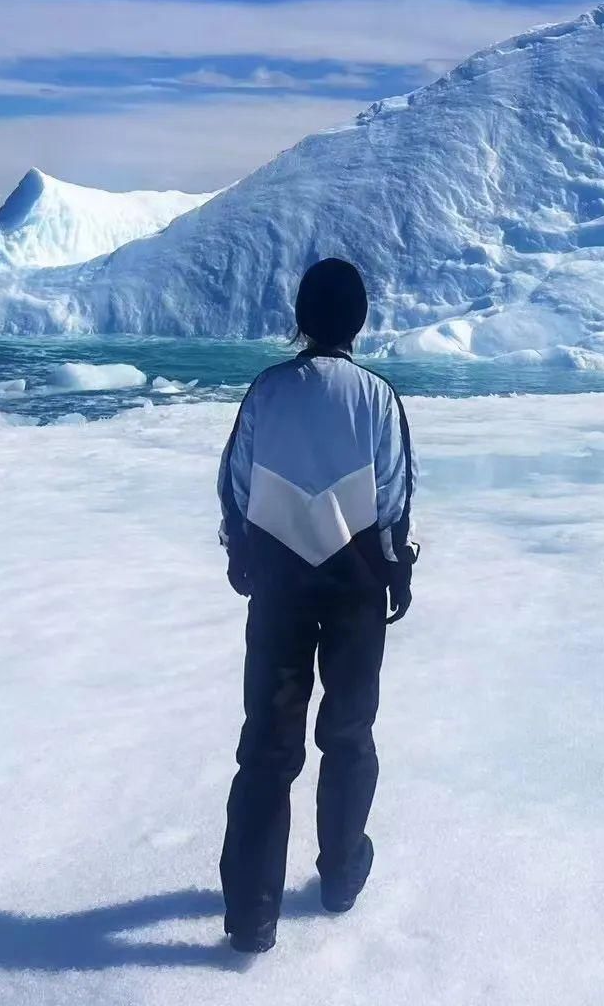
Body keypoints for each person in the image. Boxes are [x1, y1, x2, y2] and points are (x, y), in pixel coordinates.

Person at [217, 257, 418, 954]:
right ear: (358, 321)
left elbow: (237, 486)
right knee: (348, 734)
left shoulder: (267, 391)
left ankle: (252, 914)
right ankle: (339, 878)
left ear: (301, 319)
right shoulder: (376, 397)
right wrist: (398, 575)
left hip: (279, 590)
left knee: (269, 752)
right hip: (355, 593)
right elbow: (392, 502)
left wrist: (243, 556)